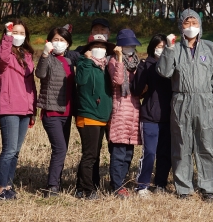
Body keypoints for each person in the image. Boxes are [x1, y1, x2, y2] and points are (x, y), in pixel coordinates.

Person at [156, 9, 213, 202]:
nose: (191, 27)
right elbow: (164, 72)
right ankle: (184, 188)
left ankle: (209, 188)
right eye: (187, 23)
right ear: (180, 26)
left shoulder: (210, 48)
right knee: (181, 145)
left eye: (194, 23)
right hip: (181, 100)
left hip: (205, 101)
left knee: (207, 145)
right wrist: (169, 49)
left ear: (200, 25)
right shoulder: (175, 48)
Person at [0, 20, 37, 200]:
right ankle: (1, 188)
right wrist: (7, 36)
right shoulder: (5, 53)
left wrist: (32, 109)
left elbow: (31, 85)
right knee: (9, 149)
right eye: (13, 32)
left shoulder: (28, 56)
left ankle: (8, 184)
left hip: (25, 109)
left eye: (20, 32)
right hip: (8, 107)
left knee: (16, 151)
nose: (18, 35)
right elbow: (2, 55)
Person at [35, 26, 76, 197]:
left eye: (63, 40)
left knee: (63, 148)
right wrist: (45, 54)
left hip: (67, 112)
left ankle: (56, 181)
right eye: (56, 39)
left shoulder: (69, 61)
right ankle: (51, 186)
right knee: (59, 148)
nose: (59, 43)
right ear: (49, 41)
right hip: (51, 112)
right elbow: (40, 73)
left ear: (68, 44)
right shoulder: (49, 59)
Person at [74, 34, 114, 200]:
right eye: (96, 46)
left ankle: (85, 186)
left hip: (102, 116)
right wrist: (87, 61)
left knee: (94, 154)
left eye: (103, 47)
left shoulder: (105, 67)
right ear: (88, 50)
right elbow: (81, 80)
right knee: (90, 155)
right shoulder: (84, 65)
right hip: (88, 115)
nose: (100, 50)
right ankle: (87, 190)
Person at [131, 34, 172, 197]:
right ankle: (142, 185)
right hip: (150, 116)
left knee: (165, 153)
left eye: (164, 46)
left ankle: (161, 183)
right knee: (149, 152)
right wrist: (144, 72)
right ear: (152, 47)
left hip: (169, 116)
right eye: (158, 46)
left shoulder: (172, 65)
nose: (161, 49)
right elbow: (136, 89)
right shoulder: (145, 65)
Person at [107, 29, 143, 198]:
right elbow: (118, 80)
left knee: (129, 153)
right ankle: (116, 185)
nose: (130, 47)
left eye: (132, 44)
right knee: (119, 152)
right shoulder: (113, 61)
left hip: (135, 111)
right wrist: (120, 58)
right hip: (120, 110)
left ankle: (122, 182)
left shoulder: (136, 63)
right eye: (126, 44)